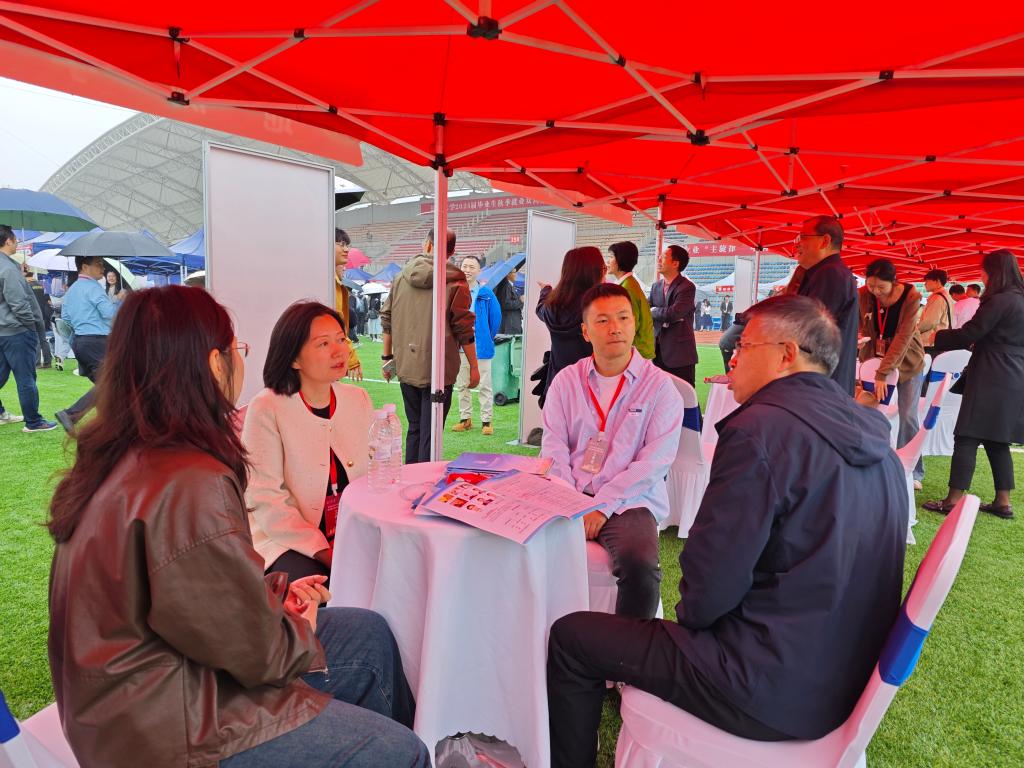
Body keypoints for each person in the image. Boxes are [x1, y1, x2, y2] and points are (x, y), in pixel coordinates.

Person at [46, 285, 428, 768]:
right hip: (171, 721)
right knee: (403, 752)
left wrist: (272, 599)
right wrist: (297, 622)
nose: (338, 350)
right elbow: (256, 650)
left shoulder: (129, 454)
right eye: (235, 349)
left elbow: (192, 598)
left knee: (368, 632)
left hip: (153, 686)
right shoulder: (188, 478)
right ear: (214, 364)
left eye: (340, 340)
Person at [547, 295, 908, 768]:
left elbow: (704, 596)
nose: (732, 358)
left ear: (786, 355)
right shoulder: (876, 442)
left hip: (760, 684)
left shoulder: (760, 431)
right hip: (840, 686)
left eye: (744, 346)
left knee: (571, 639)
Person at [541, 283, 682, 621]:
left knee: (640, 566)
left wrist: (602, 506)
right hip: (569, 493)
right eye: (602, 320)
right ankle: (539, 636)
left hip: (629, 501)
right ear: (585, 331)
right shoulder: (566, 381)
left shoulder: (660, 387)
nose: (615, 328)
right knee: (513, 543)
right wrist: (571, 503)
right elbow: (554, 447)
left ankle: (630, 650)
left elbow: (653, 463)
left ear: (635, 324)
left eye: (623, 318)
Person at [243, 301, 375, 584]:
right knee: (319, 589)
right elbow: (266, 498)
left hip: (349, 531)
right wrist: (324, 551)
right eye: (324, 344)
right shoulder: (268, 407)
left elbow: (375, 472)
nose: (339, 351)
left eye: (341, 339)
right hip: (286, 538)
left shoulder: (358, 399)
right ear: (294, 359)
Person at [924, 249, 1024, 520]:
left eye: (984, 270)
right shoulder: (1020, 298)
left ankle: (953, 500)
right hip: (1015, 375)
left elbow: (971, 332)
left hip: (991, 372)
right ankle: (1003, 502)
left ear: (994, 272)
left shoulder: (999, 300)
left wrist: (938, 336)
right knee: (998, 439)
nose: (982, 276)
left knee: (967, 435)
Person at [381, 227, 478, 463]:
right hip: (439, 369)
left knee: (415, 429)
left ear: (427, 244)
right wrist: (474, 367)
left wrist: (386, 358)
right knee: (430, 434)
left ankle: (410, 477)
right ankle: (423, 480)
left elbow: (387, 319)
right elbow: (464, 328)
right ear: (452, 251)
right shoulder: (456, 282)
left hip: (408, 366)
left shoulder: (400, 277)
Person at [858, 258, 926, 483]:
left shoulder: (911, 297)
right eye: (871, 286)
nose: (875, 291)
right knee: (869, 409)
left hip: (907, 363)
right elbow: (860, 324)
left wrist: (883, 372)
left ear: (894, 282)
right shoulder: (863, 294)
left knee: (908, 415)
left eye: (881, 287)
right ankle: (869, 460)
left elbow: (903, 337)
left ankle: (912, 470)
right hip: (874, 361)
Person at [790, 215, 858, 394]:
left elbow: (811, 331)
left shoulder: (830, 274)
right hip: (825, 383)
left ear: (825, 241)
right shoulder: (826, 272)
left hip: (821, 385)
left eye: (803, 237)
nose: (797, 244)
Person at [54, 255, 117, 435]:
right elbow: (109, 314)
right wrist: (118, 302)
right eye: (98, 264)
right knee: (111, 383)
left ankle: (111, 426)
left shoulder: (72, 290)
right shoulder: (94, 287)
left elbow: (65, 318)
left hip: (80, 342)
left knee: (109, 388)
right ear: (84, 267)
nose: (103, 268)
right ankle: (71, 414)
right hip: (97, 342)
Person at [0, 225, 54, 430]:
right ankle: (33, 421)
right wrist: (30, 324)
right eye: (15, 239)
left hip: (4, 329)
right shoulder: (7, 268)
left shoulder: (9, 267)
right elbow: (18, 302)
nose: (18, 242)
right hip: (17, 330)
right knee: (26, 378)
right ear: (8, 241)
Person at [536, 246, 605, 405]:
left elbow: (540, 309)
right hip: (591, 388)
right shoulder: (598, 308)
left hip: (557, 384)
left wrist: (546, 291)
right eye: (603, 268)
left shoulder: (552, 307)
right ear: (594, 272)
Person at [451, 255, 502, 435]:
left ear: (479, 271)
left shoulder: (486, 294)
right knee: (462, 384)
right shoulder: (455, 290)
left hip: (481, 346)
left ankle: (486, 421)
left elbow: (495, 318)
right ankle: (465, 419)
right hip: (460, 346)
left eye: (472, 267)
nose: (467, 270)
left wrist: (486, 336)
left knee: (484, 385)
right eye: (465, 266)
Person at [649, 244, 698, 385]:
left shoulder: (687, 287)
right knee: (659, 394)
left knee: (684, 393)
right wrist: (655, 311)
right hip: (658, 353)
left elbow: (673, 313)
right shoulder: (656, 286)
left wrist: (653, 311)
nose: (659, 259)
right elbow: (647, 308)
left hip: (680, 355)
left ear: (675, 263)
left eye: (663, 257)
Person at [606, 241, 654, 359]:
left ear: (620, 260)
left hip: (636, 353)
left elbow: (630, 325)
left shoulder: (627, 288)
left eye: (611, 257)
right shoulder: (627, 284)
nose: (607, 261)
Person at [332, 228, 363, 381]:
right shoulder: (329, 283)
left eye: (347, 245)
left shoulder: (335, 283)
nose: (346, 249)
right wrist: (351, 359)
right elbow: (336, 327)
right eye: (342, 244)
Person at [23, 264, 53, 368]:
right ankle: (48, 362)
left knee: (36, 339)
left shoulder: (26, 286)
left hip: (32, 315)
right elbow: (48, 300)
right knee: (43, 339)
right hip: (42, 315)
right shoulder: (41, 285)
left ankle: (37, 363)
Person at [918, 268, 955, 347]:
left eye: (927, 281)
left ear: (937, 281)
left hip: (931, 342)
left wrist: (914, 330)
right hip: (942, 339)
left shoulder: (937, 298)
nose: (925, 284)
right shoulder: (946, 295)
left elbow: (930, 322)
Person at [494, 268, 524, 335]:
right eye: (514, 272)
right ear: (508, 274)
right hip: (509, 325)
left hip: (512, 323)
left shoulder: (509, 285)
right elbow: (506, 304)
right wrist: (520, 300)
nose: (516, 274)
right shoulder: (505, 286)